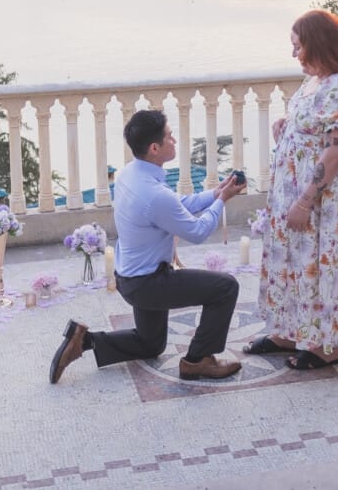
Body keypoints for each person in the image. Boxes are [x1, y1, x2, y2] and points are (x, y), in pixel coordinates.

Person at [49, 109, 248, 384]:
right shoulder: (154, 195)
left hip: (128, 277)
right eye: (169, 136)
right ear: (155, 148)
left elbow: (175, 205)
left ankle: (83, 341)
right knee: (226, 287)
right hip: (148, 283)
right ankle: (198, 360)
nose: (174, 140)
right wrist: (222, 200)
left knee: (151, 344)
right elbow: (198, 231)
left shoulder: (130, 174)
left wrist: (214, 194)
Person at [246, 9, 338, 370]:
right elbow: (314, 128)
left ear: (319, 45)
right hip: (297, 191)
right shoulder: (316, 80)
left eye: (298, 46)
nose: (294, 55)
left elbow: (336, 151)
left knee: (324, 266)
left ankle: (327, 347)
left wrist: (306, 200)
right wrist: (286, 127)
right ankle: (290, 331)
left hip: (326, 201)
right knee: (295, 262)